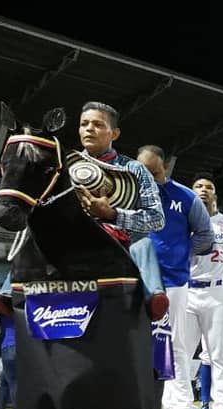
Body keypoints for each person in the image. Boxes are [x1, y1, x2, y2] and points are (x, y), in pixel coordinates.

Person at [136, 146, 214, 409]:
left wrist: (183, 252)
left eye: (155, 173)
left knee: (177, 345)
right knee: (133, 347)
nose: (150, 179)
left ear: (166, 167)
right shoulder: (129, 194)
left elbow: (205, 235)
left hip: (174, 281)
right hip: (135, 282)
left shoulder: (185, 196)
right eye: (143, 172)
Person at [74, 102, 167, 319]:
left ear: (114, 133)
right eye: (84, 124)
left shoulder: (134, 169)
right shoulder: (65, 166)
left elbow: (157, 219)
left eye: (97, 124)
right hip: (73, 237)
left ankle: (154, 296)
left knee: (143, 242)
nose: (89, 129)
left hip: (121, 240)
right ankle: (9, 292)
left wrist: (114, 214)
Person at [178, 174, 223, 409]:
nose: (203, 190)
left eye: (209, 187)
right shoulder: (181, 221)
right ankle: (181, 408)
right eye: (198, 186)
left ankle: (222, 407)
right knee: (180, 351)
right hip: (187, 290)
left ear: (215, 194)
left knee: (220, 352)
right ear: (191, 191)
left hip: (216, 291)